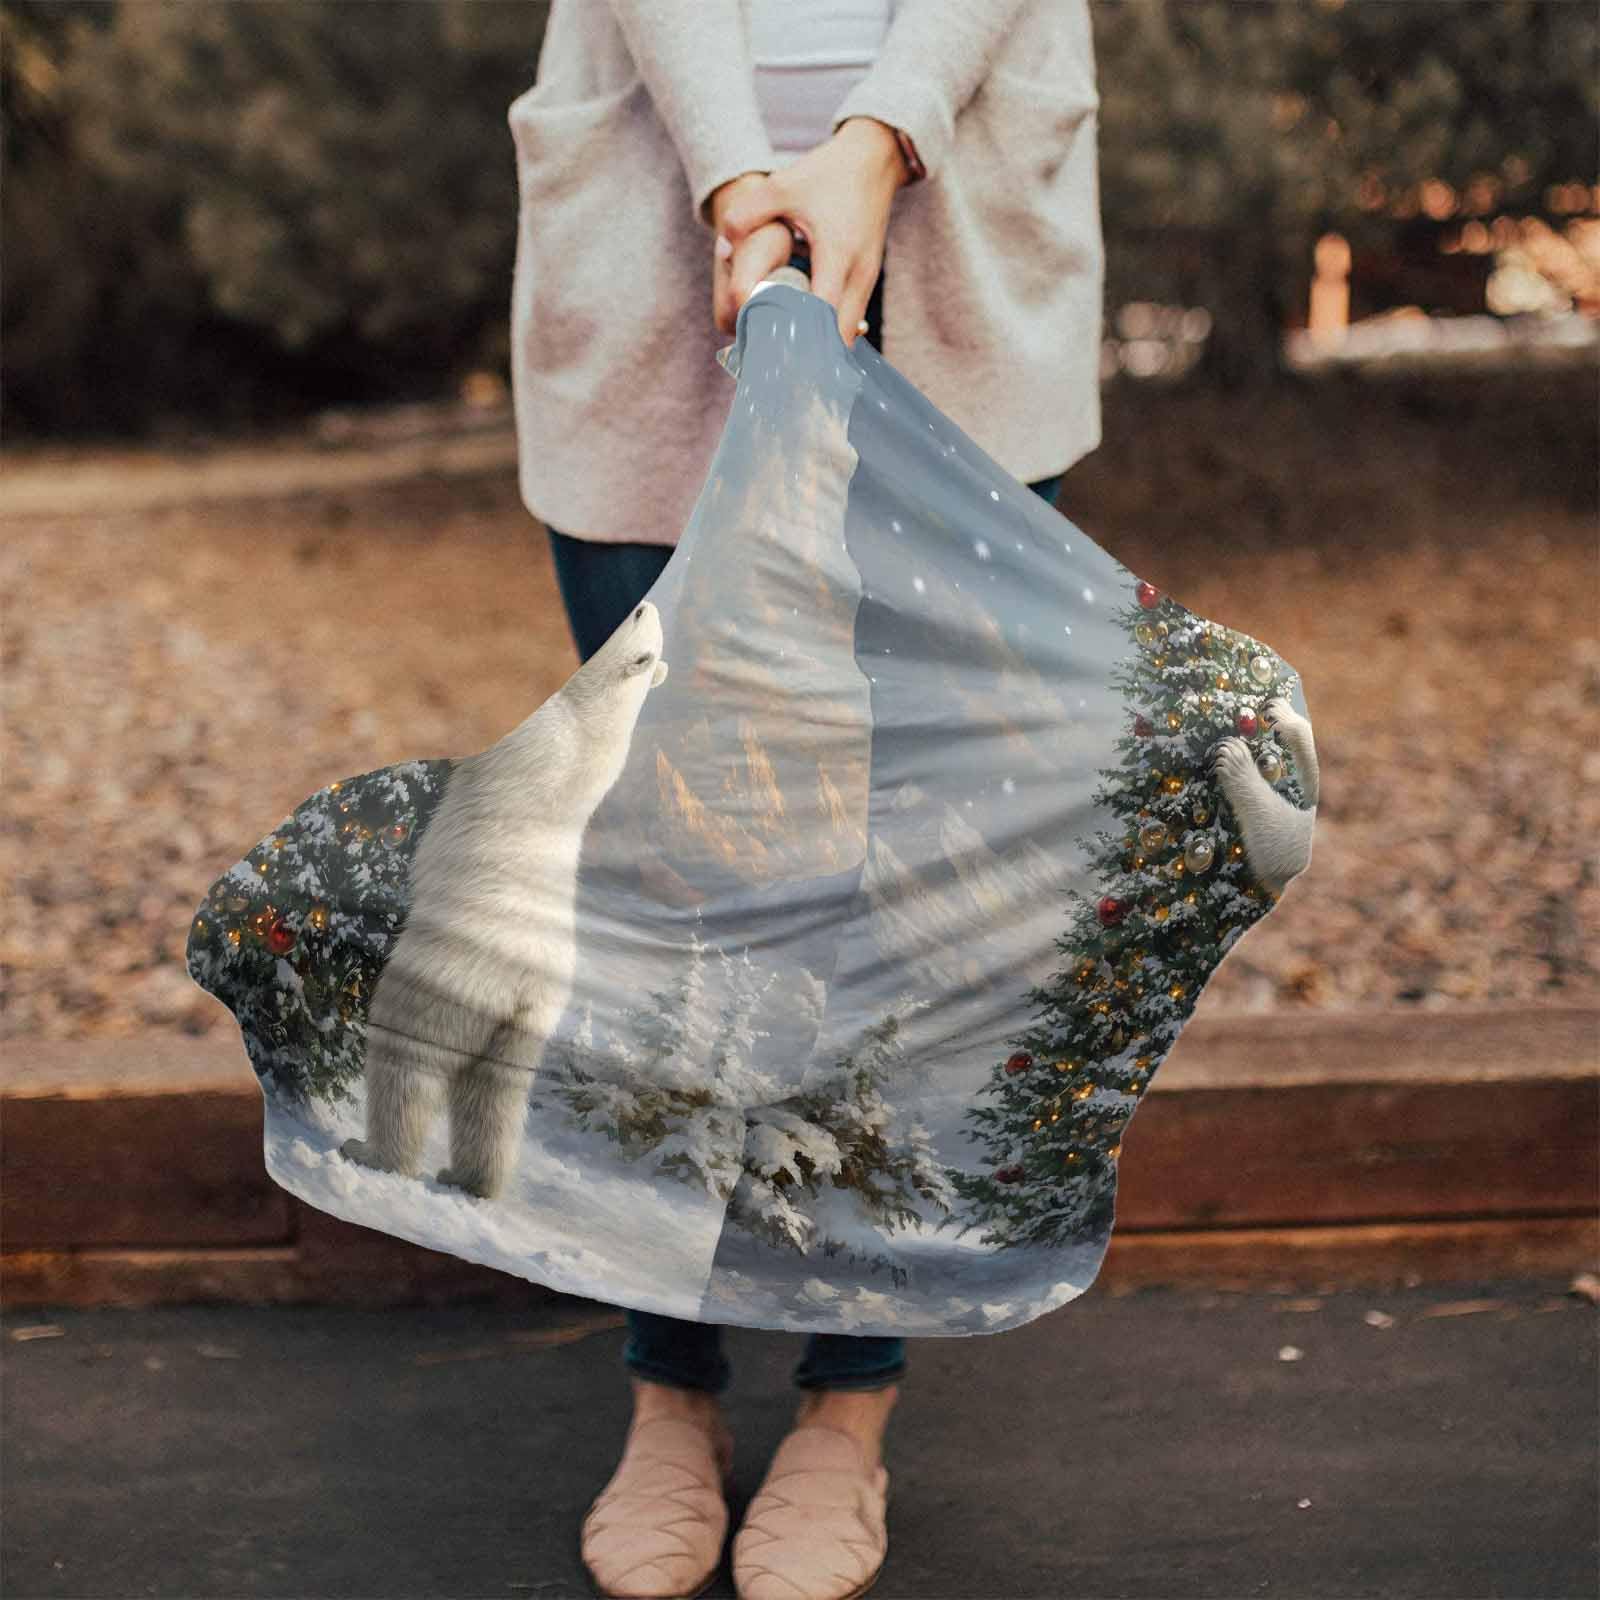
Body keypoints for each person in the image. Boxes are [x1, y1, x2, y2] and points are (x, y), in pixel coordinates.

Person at [507, 4, 1103, 1596]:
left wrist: (878, 136)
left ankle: (849, 1404)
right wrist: (735, 177)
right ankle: (670, 1389)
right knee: (668, 880)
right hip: (657, 221)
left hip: (958, 222)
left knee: (905, 881)